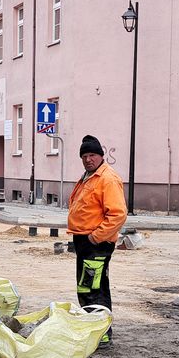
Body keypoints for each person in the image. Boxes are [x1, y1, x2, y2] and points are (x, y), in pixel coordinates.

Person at [67, 135, 127, 346]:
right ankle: (92, 329)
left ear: (101, 156)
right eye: (84, 156)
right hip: (84, 241)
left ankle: (101, 334)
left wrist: (95, 237)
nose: (88, 159)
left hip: (96, 244)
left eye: (92, 155)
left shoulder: (107, 179)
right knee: (87, 287)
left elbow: (118, 214)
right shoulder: (89, 177)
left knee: (93, 289)